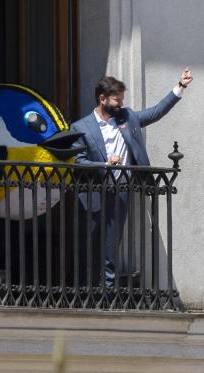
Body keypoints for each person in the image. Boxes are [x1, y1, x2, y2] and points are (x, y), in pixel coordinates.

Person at [70, 68, 193, 288]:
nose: (120, 103)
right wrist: (105, 165)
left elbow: (156, 112)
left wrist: (180, 87)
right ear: (102, 99)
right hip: (92, 193)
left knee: (111, 246)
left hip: (121, 191)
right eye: (117, 99)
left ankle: (106, 295)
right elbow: (79, 161)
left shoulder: (128, 117)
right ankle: (84, 292)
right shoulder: (81, 127)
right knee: (89, 244)